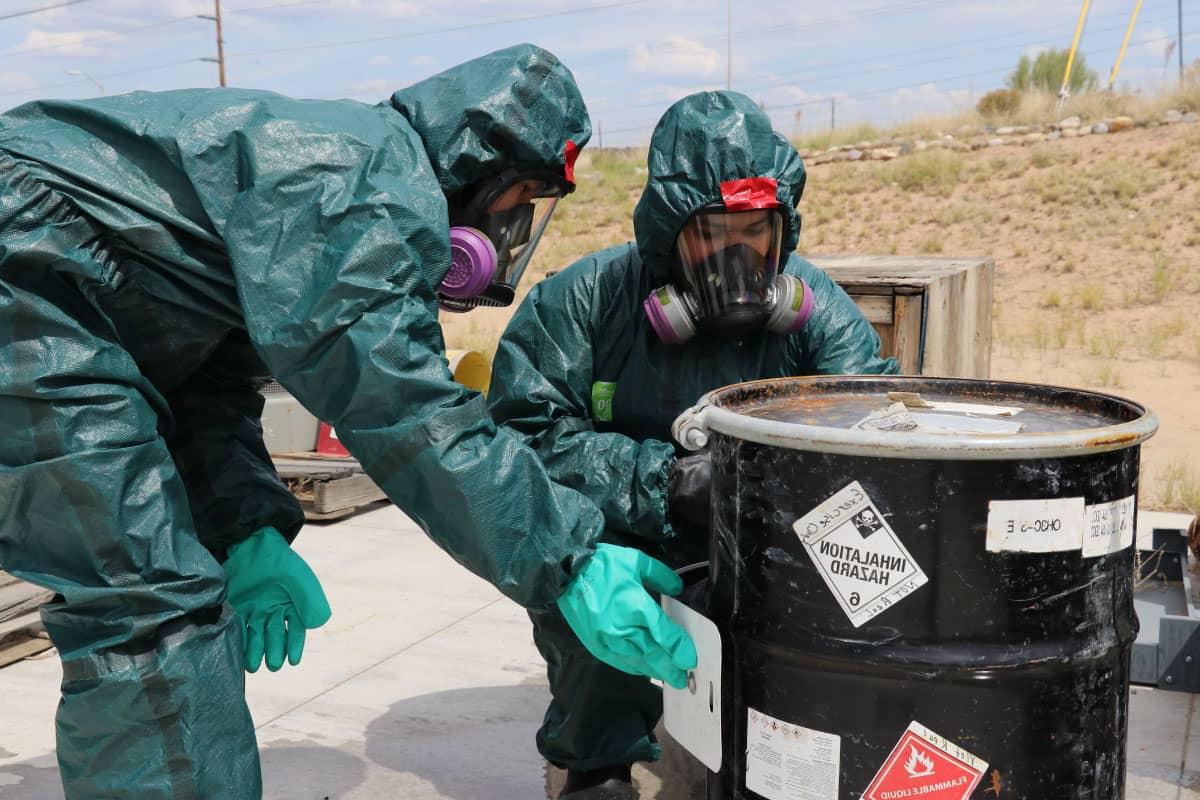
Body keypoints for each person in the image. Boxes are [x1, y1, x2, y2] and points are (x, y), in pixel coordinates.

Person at [0, 44, 694, 799]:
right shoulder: (364, 189)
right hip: (27, 271)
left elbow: (208, 375)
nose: (512, 233)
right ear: (476, 173)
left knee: (160, 595)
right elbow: (407, 410)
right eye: (516, 203)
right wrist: (571, 559)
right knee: (149, 607)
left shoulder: (344, 171)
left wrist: (244, 528)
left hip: (51, 275)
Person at [488, 90, 899, 800]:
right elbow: (520, 439)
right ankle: (593, 766)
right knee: (587, 607)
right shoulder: (584, 303)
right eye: (713, 233)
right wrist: (665, 481)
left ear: (782, 229)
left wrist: (760, 488)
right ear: (667, 231)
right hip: (628, 533)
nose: (738, 256)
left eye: (757, 232)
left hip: (763, 537)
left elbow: (875, 432)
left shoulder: (819, 313)